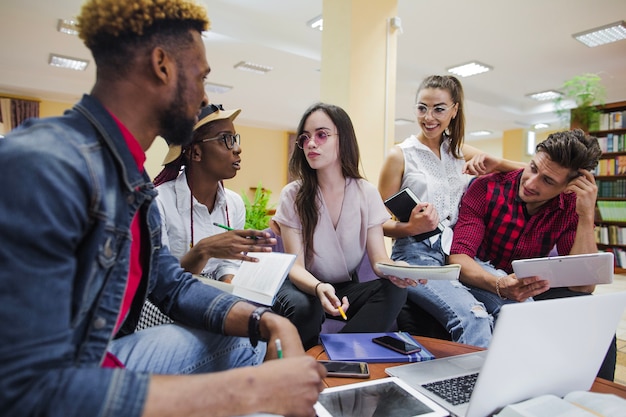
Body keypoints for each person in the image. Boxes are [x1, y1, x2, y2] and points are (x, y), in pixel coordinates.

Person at [0, 1, 325, 416]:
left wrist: (267, 322)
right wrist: (248, 391)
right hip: (60, 383)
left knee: (245, 339)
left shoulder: (132, 182)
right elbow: (23, 389)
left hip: (106, 355)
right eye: (202, 76)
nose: (205, 95)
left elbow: (171, 285)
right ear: (162, 65)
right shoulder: (46, 165)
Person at [448, 129, 615, 380]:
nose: (531, 183)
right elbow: (459, 258)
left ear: (569, 187)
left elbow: (584, 285)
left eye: (548, 181)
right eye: (533, 168)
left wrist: (586, 216)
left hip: (528, 285)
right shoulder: (487, 187)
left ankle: (588, 402)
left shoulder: (571, 205)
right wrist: (499, 284)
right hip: (478, 279)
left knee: (595, 321)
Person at [378, 75, 524, 347]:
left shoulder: (458, 152)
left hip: (459, 254)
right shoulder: (399, 155)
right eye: (422, 108)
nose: (429, 117)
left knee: (518, 305)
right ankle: (470, 389)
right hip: (416, 256)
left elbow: (533, 174)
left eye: (439, 109)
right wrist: (410, 227)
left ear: (455, 110)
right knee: (475, 318)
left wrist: (497, 161)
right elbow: (375, 223)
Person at [271, 102, 421, 351]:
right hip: (304, 284)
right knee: (305, 307)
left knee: (394, 290)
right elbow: (295, 268)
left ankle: (336, 355)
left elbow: (379, 260)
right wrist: (318, 288)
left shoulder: (366, 192)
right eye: (305, 138)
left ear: (344, 140)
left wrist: (400, 270)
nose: (311, 144)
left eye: (322, 135)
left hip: (344, 288)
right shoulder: (293, 195)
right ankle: (306, 362)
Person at [153, 103, 275, 282]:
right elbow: (159, 280)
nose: (237, 148)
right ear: (195, 153)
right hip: (166, 301)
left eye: (235, 139)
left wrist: (229, 294)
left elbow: (228, 264)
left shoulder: (234, 203)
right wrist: (203, 251)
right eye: (225, 139)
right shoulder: (158, 202)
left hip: (212, 295)